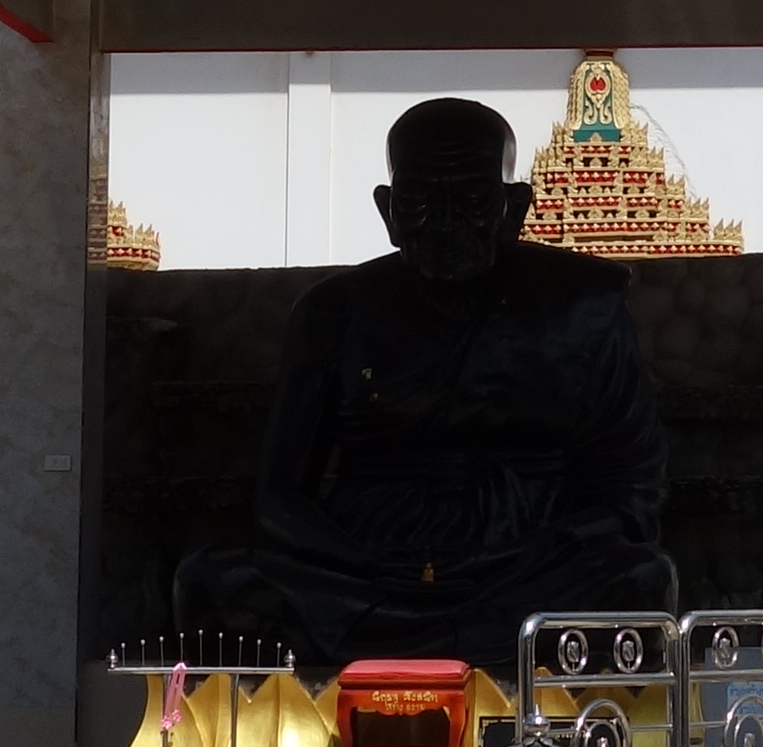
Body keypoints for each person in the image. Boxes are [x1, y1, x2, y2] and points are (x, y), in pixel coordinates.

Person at [171, 97, 675, 673]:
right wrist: (365, 563)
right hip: (366, 573)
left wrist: (533, 551)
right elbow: (280, 496)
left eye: (472, 199)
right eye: (420, 200)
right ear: (388, 210)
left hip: (523, 569)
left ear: (514, 208)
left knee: (639, 580)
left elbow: (631, 487)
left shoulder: (582, 306)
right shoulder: (333, 313)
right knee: (212, 583)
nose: (445, 223)